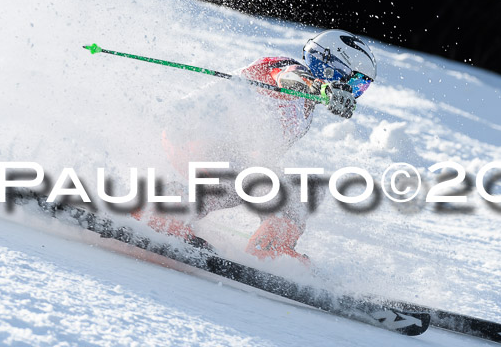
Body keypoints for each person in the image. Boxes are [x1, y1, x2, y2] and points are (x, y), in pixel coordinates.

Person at [134, 29, 377, 264]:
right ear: (332, 66)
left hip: (223, 153)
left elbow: (261, 158)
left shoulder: (304, 114)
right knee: (234, 179)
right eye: (355, 83)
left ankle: (270, 251)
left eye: (360, 89)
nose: (353, 94)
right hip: (192, 132)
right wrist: (321, 87)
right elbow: (289, 77)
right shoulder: (285, 66)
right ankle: (157, 213)